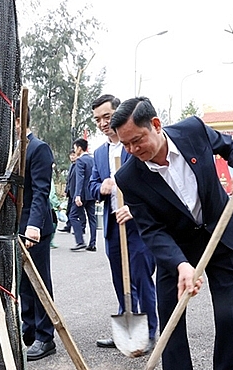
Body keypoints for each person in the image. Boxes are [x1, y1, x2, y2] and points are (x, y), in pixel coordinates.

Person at [111, 96, 233, 370]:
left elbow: (229, 146)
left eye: (137, 140)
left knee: (228, 312)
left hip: (220, 235)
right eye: (125, 144)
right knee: (169, 311)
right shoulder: (129, 177)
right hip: (176, 247)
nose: (132, 150)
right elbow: (151, 230)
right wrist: (180, 264)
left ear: (156, 126)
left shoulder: (193, 131)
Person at [87, 94, 158, 350]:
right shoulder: (99, 154)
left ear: (117, 114)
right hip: (112, 226)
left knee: (141, 277)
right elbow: (92, 187)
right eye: (98, 119)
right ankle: (127, 328)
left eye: (107, 117)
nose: (103, 123)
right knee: (120, 278)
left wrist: (134, 208)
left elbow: (152, 184)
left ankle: (151, 331)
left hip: (138, 227)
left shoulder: (134, 146)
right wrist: (102, 188)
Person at [15, 104, 57, 361]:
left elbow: (41, 191)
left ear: (19, 122)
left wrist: (33, 226)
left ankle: (45, 336)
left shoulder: (37, 148)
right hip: (15, 227)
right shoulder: (12, 151)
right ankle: (29, 328)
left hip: (35, 225)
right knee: (22, 283)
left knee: (39, 280)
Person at [69, 138, 97, 252]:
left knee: (73, 215)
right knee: (92, 218)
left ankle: (80, 241)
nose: (75, 151)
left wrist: (77, 195)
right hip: (92, 193)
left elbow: (80, 179)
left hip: (82, 194)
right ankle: (93, 243)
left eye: (75, 148)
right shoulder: (93, 160)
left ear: (80, 148)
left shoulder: (80, 161)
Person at [59, 150, 76, 234]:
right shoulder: (71, 166)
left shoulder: (78, 165)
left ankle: (81, 228)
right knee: (69, 210)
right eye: (71, 155)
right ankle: (68, 226)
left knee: (76, 212)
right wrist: (66, 190)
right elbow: (69, 180)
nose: (72, 157)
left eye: (74, 155)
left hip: (76, 192)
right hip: (70, 192)